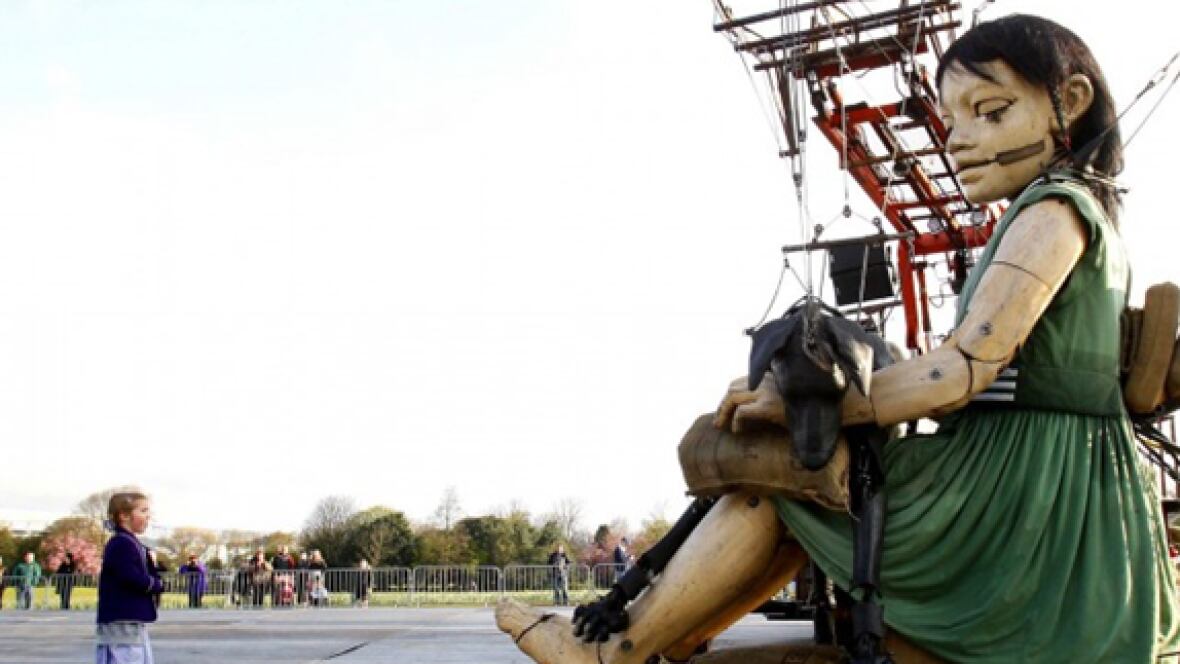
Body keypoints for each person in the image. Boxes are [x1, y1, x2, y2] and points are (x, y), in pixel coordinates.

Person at [497, 14, 1180, 663]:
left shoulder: (1051, 211)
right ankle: (672, 633)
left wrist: (806, 407)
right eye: (951, 120)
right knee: (818, 479)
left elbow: (961, 372)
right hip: (1037, 468)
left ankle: (618, 646)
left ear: (1073, 100)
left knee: (791, 476)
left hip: (1021, 487)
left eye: (992, 112)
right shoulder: (1065, 214)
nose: (959, 139)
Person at [97, 491, 164, 664]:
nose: (148, 516)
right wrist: (155, 584)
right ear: (124, 516)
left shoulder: (131, 543)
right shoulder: (121, 544)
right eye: (143, 511)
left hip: (131, 619)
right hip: (122, 619)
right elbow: (130, 577)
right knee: (126, 656)